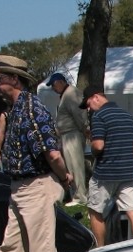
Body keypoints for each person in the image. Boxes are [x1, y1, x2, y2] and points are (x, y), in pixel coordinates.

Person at [0, 54, 72, 252]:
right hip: (19, 188)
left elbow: (52, 154)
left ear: (14, 79)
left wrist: (64, 177)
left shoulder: (32, 109)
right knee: (10, 251)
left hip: (35, 187)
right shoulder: (16, 109)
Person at [80, 84, 133, 246]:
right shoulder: (128, 116)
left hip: (105, 173)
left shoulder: (99, 116)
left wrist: (92, 142)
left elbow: (98, 146)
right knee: (132, 210)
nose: (89, 109)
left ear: (96, 97)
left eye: (89, 105)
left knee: (95, 211)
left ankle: (100, 249)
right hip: (128, 172)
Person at [46, 72, 88, 206]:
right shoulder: (66, 95)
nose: (53, 88)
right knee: (70, 166)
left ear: (60, 82)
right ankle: (76, 193)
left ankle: (80, 197)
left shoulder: (70, 94)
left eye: (53, 85)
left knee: (75, 165)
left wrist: (85, 129)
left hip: (72, 134)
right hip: (66, 135)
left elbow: (80, 114)